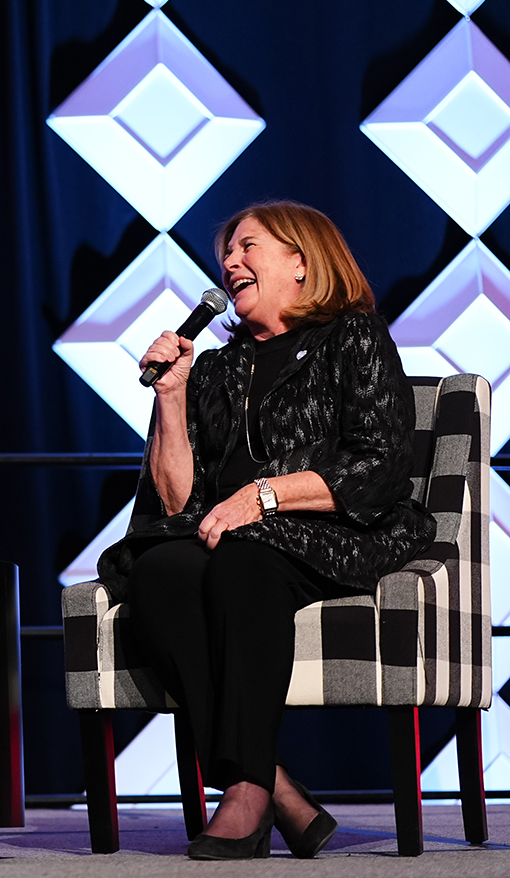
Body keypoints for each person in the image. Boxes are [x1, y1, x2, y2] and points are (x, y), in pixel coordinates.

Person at [98, 201, 435, 861]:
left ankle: (249, 791)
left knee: (241, 561)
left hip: (341, 528)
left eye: (248, 246)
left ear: (303, 263)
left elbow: (380, 466)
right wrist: (171, 397)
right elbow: (175, 501)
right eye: (226, 253)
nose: (229, 262)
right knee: (158, 569)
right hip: (230, 534)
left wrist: (266, 495)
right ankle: (277, 786)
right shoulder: (218, 368)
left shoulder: (353, 337)